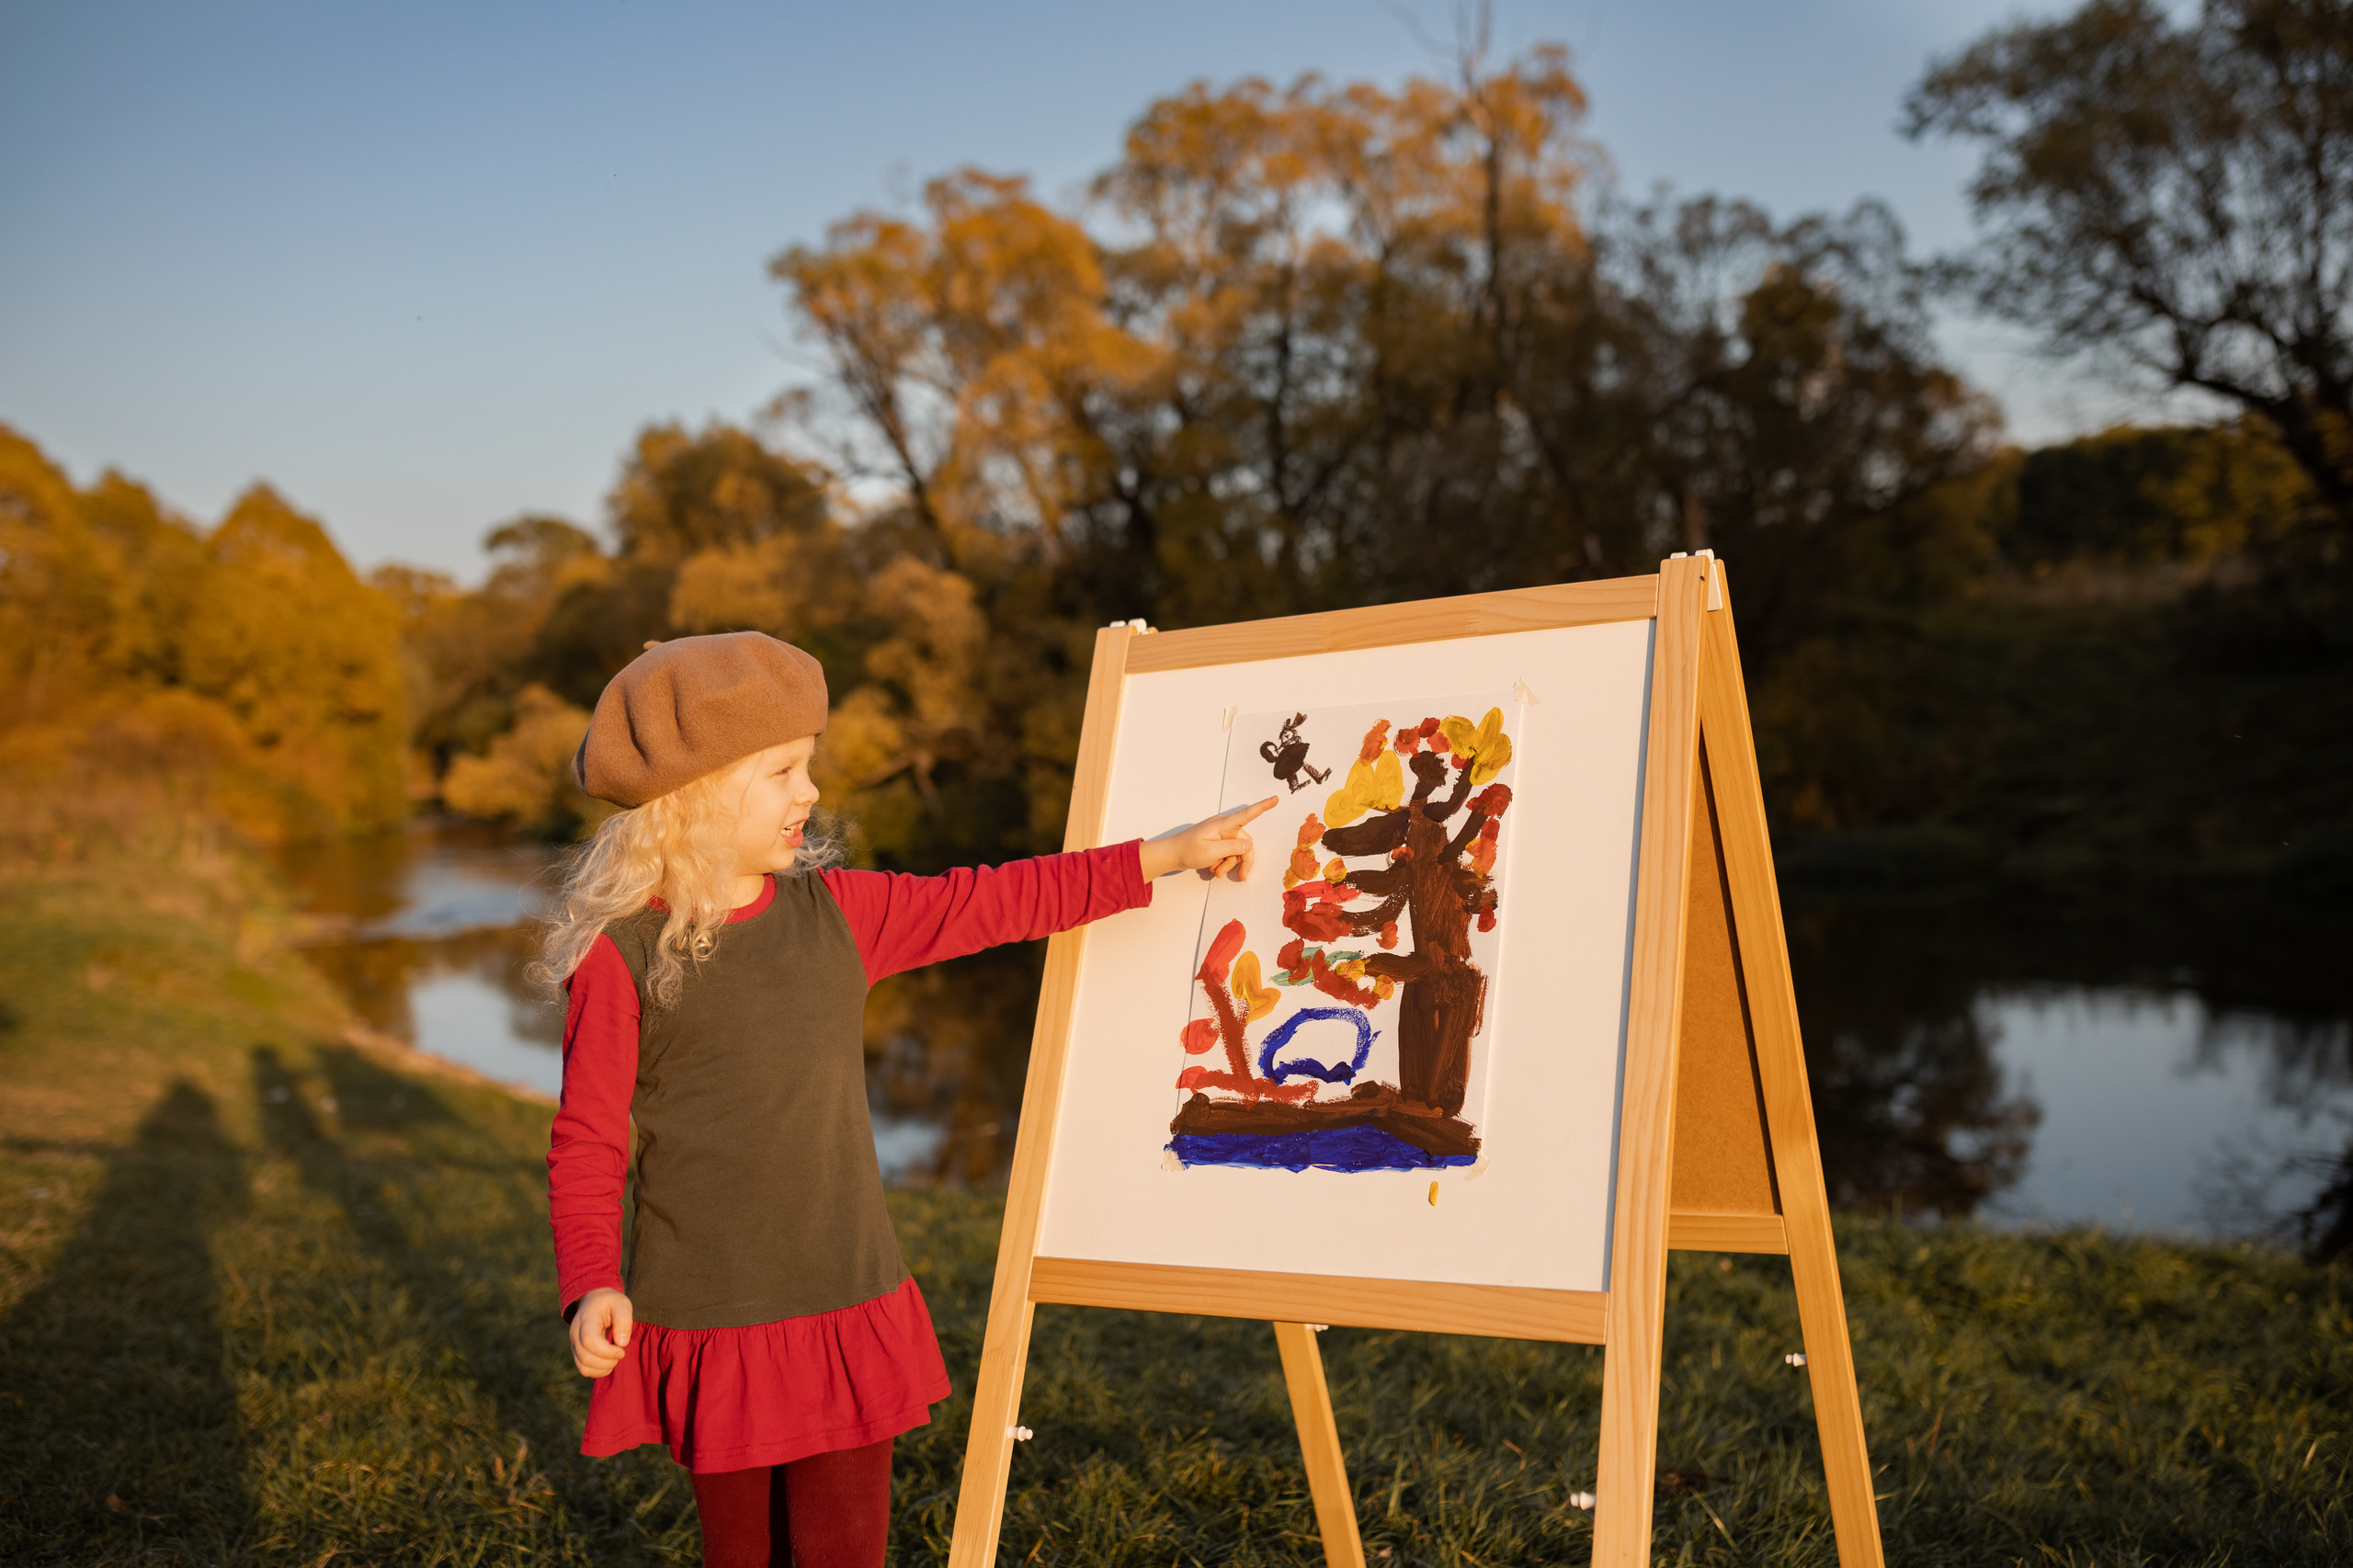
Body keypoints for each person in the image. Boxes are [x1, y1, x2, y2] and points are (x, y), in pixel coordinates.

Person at [539, 631, 1272, 1568]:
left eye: (807, 764)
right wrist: (592, 1278)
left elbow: (998, 898)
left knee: (847, 1549)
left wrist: (1162, 854)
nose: (809, 790)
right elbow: (588, 1139)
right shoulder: (620, 956)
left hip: (845, 1294)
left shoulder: (841, 915)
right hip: (711, 1313)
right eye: (780, 770)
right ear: (690, 797)